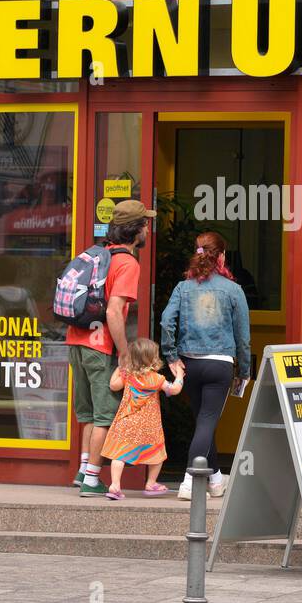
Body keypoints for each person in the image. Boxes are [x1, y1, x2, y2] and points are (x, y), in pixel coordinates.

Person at [68, 199, 155, 497]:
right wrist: (124, 352)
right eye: (145, 224)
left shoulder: (96, 255)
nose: (148, 228)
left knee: (89, 414)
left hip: (76, 342)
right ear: (137, 229)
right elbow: (114, 312)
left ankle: (82, 470)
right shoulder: (127, 263)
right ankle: (93, 479)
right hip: (100, 347)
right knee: (105, 414)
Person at [160, 231, 251, 501]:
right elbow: (243, 338)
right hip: (220, 365)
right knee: (208, 422)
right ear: (221, 256)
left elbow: (166, 322)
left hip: (189, 364)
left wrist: (171, 357)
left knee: (203, 422)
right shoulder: (233, 290)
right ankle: (190, 479)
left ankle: (215, 479)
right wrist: (244, 371)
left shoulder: (182, 287)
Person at [101, 337, 184, 500]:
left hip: (126, 422)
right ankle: (151, 483)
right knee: (158, 453)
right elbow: (174, 389)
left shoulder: (128, 375)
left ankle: (115, 485)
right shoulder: (157, 379)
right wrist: (180, 375)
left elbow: (113, 385)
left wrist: (120, 367)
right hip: (149, 426)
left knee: (119, 455)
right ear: (153, 359)